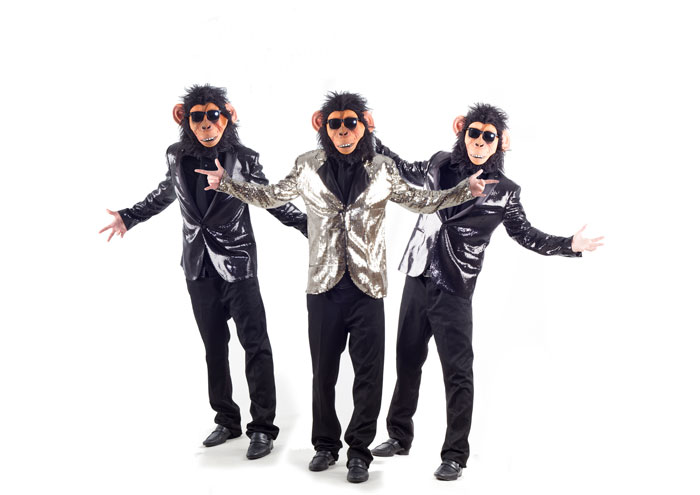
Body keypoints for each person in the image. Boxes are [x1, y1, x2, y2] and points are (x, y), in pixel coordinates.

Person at [195, 92, 495, 482]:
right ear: (323, 127)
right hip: (323, 287)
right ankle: (325, 445)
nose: (343, 132)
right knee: (323, 373)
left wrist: (462, 191)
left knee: (368, 376)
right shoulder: (307, 165)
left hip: (367, 288)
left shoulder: (383, 169)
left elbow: (421, 201)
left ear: (362, 125)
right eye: (335, 124)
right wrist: (228, 185)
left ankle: (359, 453)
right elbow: (271, 196)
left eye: (350, 123)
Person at [370, 103, 604, 481]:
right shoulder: (439, 163)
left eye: (488, 136)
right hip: (417, 274)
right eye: (474, 133)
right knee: (407, 359)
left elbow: (526, 234)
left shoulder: (505, 192)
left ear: (500, 142)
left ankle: (454, 455)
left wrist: (568, 244)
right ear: (462, 132)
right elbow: (400, 167)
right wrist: (369, 135)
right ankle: (399, 435)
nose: (479, 142)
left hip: (454, 285)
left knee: (458, 371)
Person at [100, 84, 307, 459]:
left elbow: (271, 199)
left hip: (238, 265)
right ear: (185, 119)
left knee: (255, 345)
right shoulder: (176, 155)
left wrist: (310, 227)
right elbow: (165, 193)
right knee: (214, 347)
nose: (206, 124)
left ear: (227, 117)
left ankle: (263, 428)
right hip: (197, 265)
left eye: (214, 115)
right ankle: (226, 420)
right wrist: (128, 217)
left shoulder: (243, 158)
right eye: (198, 117)